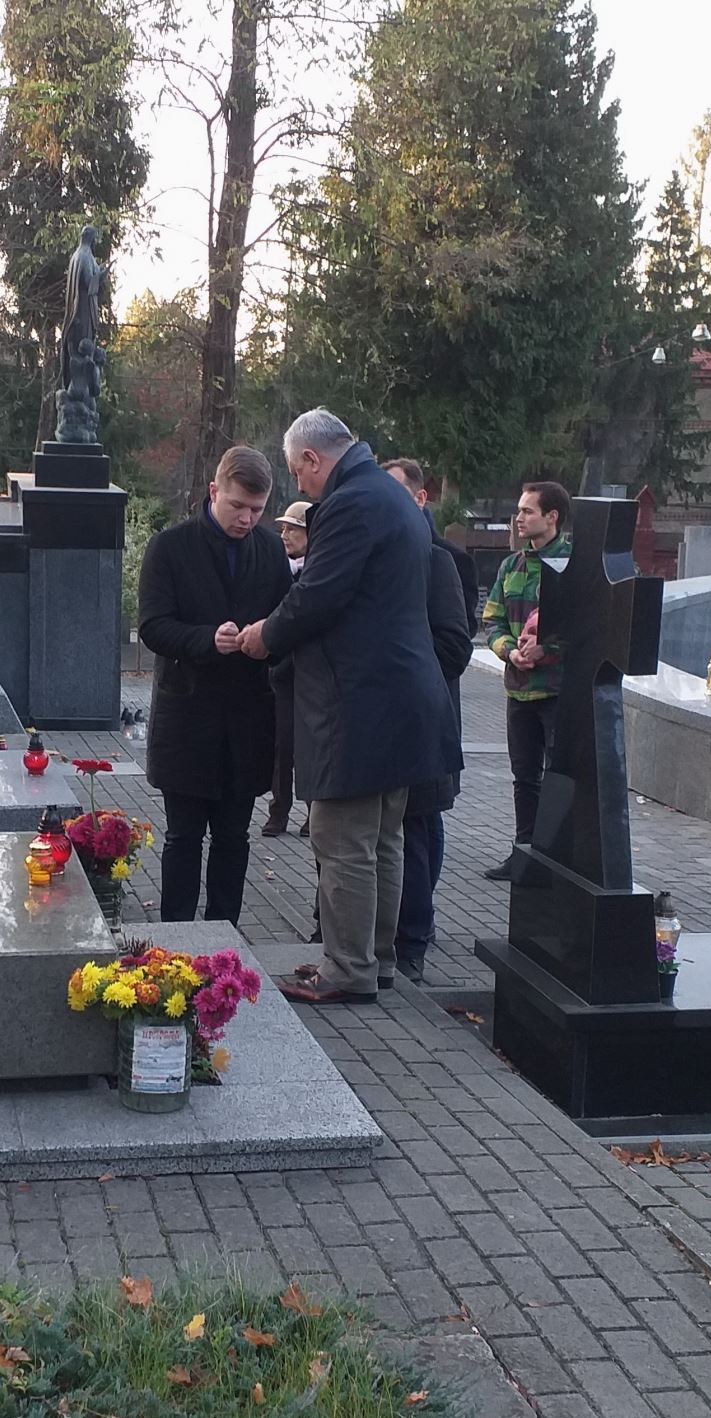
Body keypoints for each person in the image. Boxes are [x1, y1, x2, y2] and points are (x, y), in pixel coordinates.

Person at [235, 409, 460, 1002]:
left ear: (313, 458)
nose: (299, 484)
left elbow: (318, 596)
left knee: (341, 841)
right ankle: (375, 961)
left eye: (297, 471)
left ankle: (348, 970)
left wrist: (264, 634)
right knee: (382, 838)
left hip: (360, 704)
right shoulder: (389, 495)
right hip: (401, 699)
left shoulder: (350, 503)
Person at [137, 446, 291, 924]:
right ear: (213, 492)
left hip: (247, 719)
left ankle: (225, 934)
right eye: (237, 506)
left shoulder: (271, 550)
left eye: (257, 510)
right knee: (183, 836)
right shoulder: (170, 547)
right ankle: (176, 935)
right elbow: (153, 626)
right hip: (187, 716)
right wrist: (207, 639)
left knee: (233, 837)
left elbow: (287, 622)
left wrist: (267, 639)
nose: (247, 519)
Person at [479, 480, 574, 878]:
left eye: (527, 511)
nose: (518, 518)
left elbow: (586, 624)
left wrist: (547, 649)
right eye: (518, 510)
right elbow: (493, 620)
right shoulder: (511, 565)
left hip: (557, 692)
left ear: (552, 517)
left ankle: (557, 861)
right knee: (525, 778)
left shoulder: (573, 564)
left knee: (559, 778)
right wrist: (510, 651)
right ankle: (524, 855)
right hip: (518, 691)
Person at [394, 511, 474, 983]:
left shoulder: (440, 563)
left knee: (417, 834)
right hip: (372, 729)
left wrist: (399, 669)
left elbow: (454, 648)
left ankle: (413, 941)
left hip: (422, 723)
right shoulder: (369, 558)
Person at [384, 457, 480, 629]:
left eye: (395, 492)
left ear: (420, 498)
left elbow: (461, 633)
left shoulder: (456, 561)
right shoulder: (371, 555)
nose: (386, 501)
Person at [262, 500, 311, 838]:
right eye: (283, 528)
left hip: (311, 676)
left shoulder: (320, 571)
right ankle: (278, 811)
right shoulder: (276, 569)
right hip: (280, 674)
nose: (285, 535)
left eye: (293, 529)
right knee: (281, 746)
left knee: (309, 747)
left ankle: (312, 813)